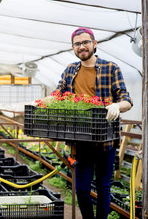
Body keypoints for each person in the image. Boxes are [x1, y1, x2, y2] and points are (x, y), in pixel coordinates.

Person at [52, 27, 132, 219]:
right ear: (73, 47)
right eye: (77, 44)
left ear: (94, 44)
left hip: (106, 141)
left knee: (104, 187)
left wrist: (116, 106)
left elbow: (127, 100)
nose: (82, 47)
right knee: (81, 189)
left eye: (85, 42)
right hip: (80, 140)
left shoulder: (111, 68)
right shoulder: (70, 70)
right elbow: (57, 95)